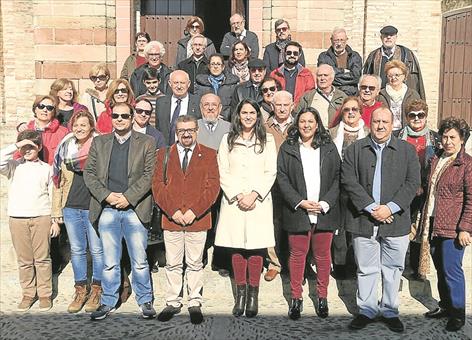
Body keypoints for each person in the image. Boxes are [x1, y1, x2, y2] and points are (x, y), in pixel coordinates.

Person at [342, 106, 420, 333]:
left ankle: (389, 310)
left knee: (393, 268)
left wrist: (390, 209)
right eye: (376, 121)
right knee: (366, 268)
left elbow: (412, 182)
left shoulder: (406, 151)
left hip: (396, 222)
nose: (380, 126)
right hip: (363, 221)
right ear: (370, 123)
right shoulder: (355, 149)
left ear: (393, 124)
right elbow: (348, 180)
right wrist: (371, 207)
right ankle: (366, 309)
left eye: (385, 122)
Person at [84, 102, 156, 320]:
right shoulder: (99, 142)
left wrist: (128, 197)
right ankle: (107, 301)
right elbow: (89, 173)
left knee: (140, 260)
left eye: (125, 115)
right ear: (111, 117)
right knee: (110, 261)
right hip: (107, 208)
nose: (120, 119)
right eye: (116, 115)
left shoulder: (147, 142)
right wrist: (107, 195)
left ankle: (145, 301)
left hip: (134, 208)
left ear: (132, 117)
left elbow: (149, 174)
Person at [152, 115, 220, 324]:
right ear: (176, 132)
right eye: (182, 130)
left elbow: (213, 187)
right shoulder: (163, 155)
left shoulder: (209, 154)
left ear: (197, 131)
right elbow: (157, 185)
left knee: (195, 263)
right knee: (172, 263)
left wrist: (194, 211)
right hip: (171, 219)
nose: (186, 134)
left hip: (197, 220)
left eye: (190, 130)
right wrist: (173, 211)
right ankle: (173, 301)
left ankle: (194, 302)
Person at [215, 98, 277, 318]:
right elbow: (222, 170)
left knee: (256, 247)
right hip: (234, 201)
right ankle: (240, 294)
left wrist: (253, 195)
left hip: (258, 202)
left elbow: (271, 171)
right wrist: (238, 195)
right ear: (238, 116)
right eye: (244, 113)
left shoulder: (267, 140)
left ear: (258, 116)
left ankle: (253, 294)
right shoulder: (227, 140)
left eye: (252, 113)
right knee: (237, 247)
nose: (248, 116)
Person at [277, 107, 341, 320]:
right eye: (302, 121)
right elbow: (282, 178)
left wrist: (324, 203)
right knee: (297, 256)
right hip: (298, 211)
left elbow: (337, 178)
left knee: (323, 256)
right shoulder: (288, 147)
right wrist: (299, 202)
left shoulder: (329, 147)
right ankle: (296, 298)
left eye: (310, 121)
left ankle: (322, 297)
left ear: (317, 124)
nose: (306, 125)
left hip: (323, 211)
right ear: (297, 124)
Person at [420, 117, 471, 332]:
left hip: (453, 228)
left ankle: (458, 313)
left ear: (462, 140)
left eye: (453, 137)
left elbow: (471, 199)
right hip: (433, 222)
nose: (448, 141)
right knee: (440, 269)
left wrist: (465, 228)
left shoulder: (466, 164)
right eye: (445, 136)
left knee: (452, 270)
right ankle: (446, 306)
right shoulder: (437, 158)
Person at [1, 130, 60, 312]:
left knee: (42, 258)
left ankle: (44, 294)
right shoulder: (14, 166)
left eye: (31, 146)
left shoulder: (46, 169)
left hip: (41, 217)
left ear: (39, 147)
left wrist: (54, 221)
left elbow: (52, 195)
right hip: (17, 218)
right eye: (24, 147)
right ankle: (28, 293)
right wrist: (18, 144)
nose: (27, 150)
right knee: (24, 260)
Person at [51, 110, 103, 313]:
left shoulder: (100, 146)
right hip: (71, 206)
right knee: (78, 250)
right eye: (76, 125)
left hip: (93, 205)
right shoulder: (65, 147)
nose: (79, 128)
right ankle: (80, 290)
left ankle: (97, 290)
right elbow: (57, 181)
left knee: (97, 250)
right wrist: (57, 210)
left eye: (84, 124)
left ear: (91, 126)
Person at [397, 100, 440, 280]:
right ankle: (397, 267)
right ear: (406, 117)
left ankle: (416, 268)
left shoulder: (435, 138)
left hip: (426, 191)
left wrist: (423, 185)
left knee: (420, 227)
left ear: (426, 116)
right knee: (400, 228)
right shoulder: (397, 136)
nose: (416, 119)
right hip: (401, 189)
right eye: (412, 115)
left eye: (420, 115)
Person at [329, 97, 369, 277]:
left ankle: (354, 263)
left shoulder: (369, 133)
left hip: (360, 188)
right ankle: (339, 264)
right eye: (346, 110)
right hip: (337, 186)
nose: (351, 113)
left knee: (357, 227)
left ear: (360, 112)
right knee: (338, 228)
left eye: (354, 109)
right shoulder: (331, 133)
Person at [263, 91, 294, 282]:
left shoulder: (300, 126)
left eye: (285, 105)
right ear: (272, 107)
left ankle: (295, 263)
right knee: (272, 224)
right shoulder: (264, 127)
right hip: (271, 184)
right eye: (278, 105)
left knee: (294, 225)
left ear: (292, 105)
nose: (282, 108)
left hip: (293, 183)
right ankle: (274, 263)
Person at [363, 25, 425, 99]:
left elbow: (414, 81)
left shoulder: (407, 55)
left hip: (401, 98)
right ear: (381, 37)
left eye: (391, 35)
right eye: (385, 35)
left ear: (396, 37)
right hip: (380, 98)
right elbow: (366, 78)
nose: (388, 37)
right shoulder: (373, 56)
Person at [155, 70, 201, 146]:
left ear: (188, 84)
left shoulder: (197, 102)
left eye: (182, 83)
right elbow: (158, 128)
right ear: (170, 83)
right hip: (165, 149)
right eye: (176, 83)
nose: (179, 87)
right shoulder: (161, 102)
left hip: (189, 147)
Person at [20, 95, 70, 165]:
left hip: (53, 174)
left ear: (53, 112)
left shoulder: (63, 132)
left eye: (49, 108)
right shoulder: (25, 130)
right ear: (35, 109)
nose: (45, 110)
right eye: (41, 106)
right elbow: (17, 155)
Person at [296, 64, 347, 128]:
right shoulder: (307, 97)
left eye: (325, 75)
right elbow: (297, 117)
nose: (322, 78)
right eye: (319, 75)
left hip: (335, 134)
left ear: (332, 78)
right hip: (314, 135)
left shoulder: (342, 97)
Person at [378, 60, 421, 134]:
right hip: (386, 132)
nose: (393, 78)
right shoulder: (380, 94)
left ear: (404, 76)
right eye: (390, 75)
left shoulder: (413, 94)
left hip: (407, 132)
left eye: (397, 75)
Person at [194, 53, 240, 121]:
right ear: (209, 66)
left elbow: (234, 106)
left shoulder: (232, 84)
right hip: (205, 120)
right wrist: (210, 116)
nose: (215, 67)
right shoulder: (201, 84)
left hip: (226, 120)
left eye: (218, 64)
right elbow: (197, 104)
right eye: (213, 64)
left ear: (223, 67)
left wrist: (223, 115)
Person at [317, 28, 362, 96]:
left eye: (342, 40)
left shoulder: (355, 56)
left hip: (351, 94)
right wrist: (343, 71)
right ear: (331, 40)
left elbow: (356, 77)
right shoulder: (324, 57)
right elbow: (325, 77)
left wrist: (334, 75)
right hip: (330, 94)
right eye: (336, 40)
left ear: (346, 40)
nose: (339, 43)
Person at [270, 41, 315, 105]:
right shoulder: (275, 74)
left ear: (299, 55)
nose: (292, 55)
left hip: (299, 111)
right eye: (289, 53)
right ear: (284, 54)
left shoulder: (307, 74)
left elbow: (309, 96)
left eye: (295, 53)